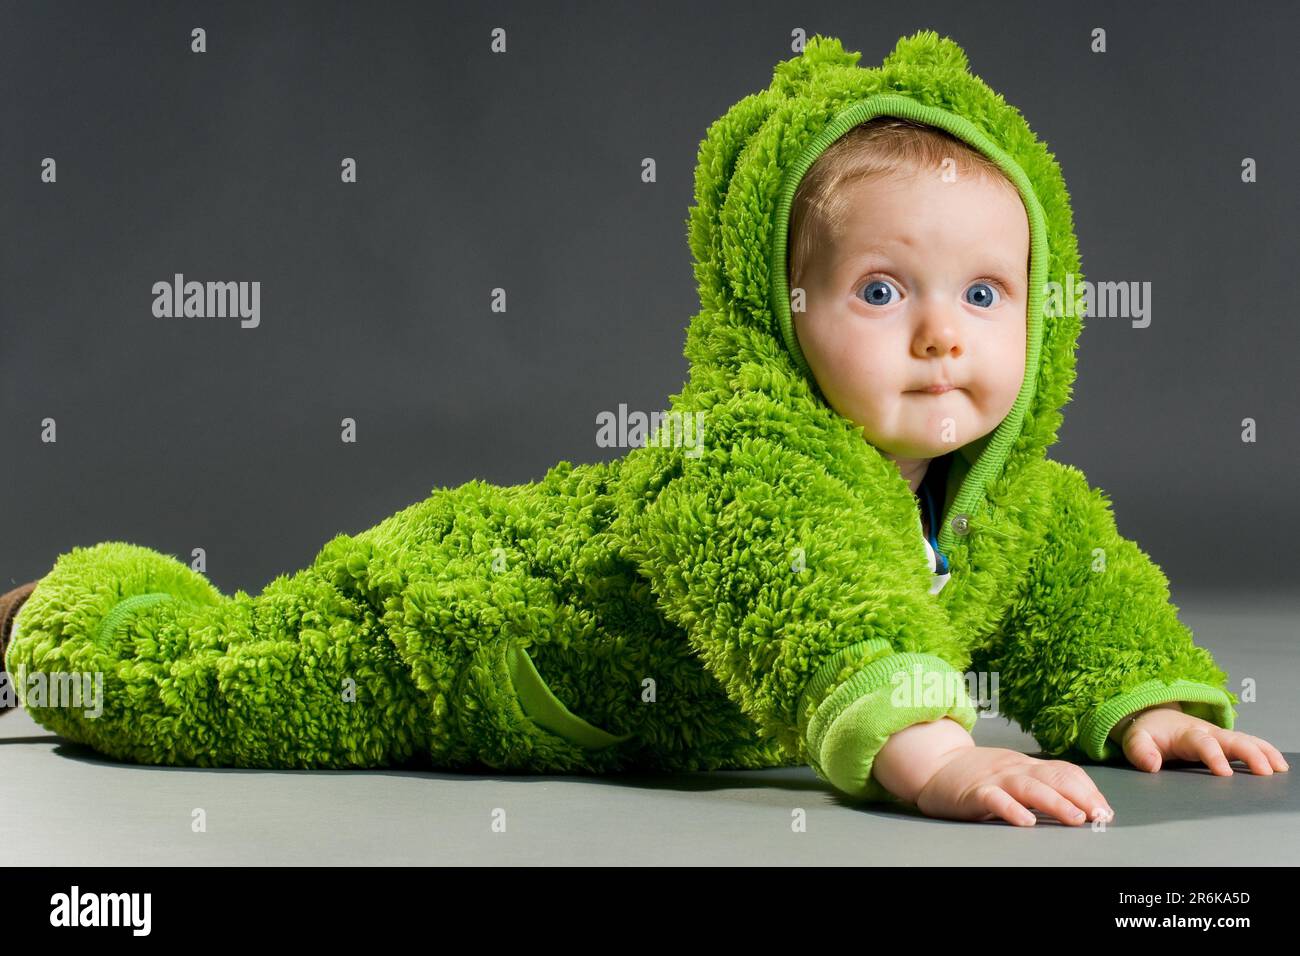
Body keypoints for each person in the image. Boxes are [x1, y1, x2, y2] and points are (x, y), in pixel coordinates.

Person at [2, 31, 1285, 826]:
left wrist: (1140, 704)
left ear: (1040, 313)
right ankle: (59, 612)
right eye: (881, 290)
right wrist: (931, 758)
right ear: (780, 311)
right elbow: (825, 603)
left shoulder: (1017, 503)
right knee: (211, 687)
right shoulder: (734, 466)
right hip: (469, 620)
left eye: (985, 293)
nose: (940, 334)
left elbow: (1077, 592)